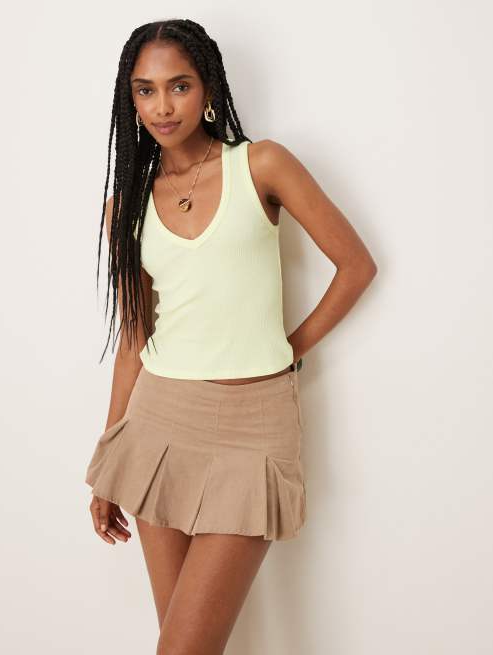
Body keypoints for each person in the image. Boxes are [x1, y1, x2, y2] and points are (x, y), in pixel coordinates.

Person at [84, 18, 377, 655]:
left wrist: (288, 350)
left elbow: (356, 267)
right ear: (130, 100)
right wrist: (108, 462)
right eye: (145, 90)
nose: (163, 106)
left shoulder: (262, 164)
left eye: (179, 85)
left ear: (209, 88)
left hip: (253, 429)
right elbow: (135, 335)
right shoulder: (126, 205)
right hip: (158, 423)